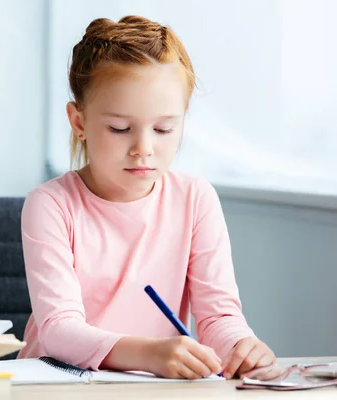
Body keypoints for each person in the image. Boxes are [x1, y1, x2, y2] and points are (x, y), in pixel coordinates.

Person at [16, 15, 276, 380]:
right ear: (78, 122)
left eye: (164, 128)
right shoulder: (50, 204)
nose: (144, 149)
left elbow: (219, 317)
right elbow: (59, 330)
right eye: (120, 128)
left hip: (151, 386)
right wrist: (148, 353)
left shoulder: (195, 199)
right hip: (59, 383)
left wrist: (241, 347)